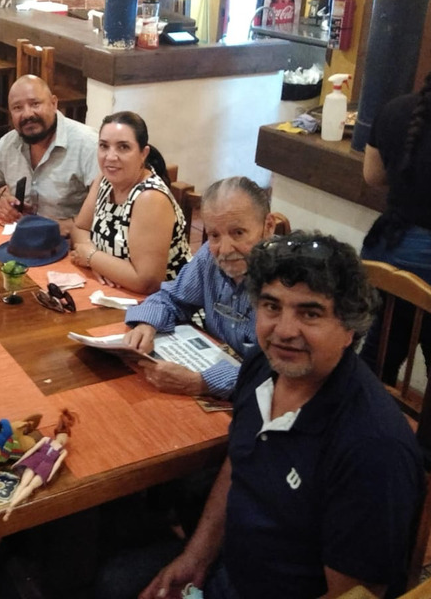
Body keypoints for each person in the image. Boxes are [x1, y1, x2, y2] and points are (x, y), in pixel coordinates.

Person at [132, 232, 424, 599]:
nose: (284, 332)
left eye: (310, 313)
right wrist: (196, 558)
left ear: (349, 328)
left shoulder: (373, 449)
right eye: (271, 306)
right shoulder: (261, 365)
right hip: (227, 573)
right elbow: (240, 463)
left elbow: (354, 595)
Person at [123, 176, 276, 398]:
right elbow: (172, 298)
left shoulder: (289, 283)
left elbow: (282, 375)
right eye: (214, 235)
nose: (224, 249)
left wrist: (202, 383)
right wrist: (147, 323)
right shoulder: (209, 257)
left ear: (268, 226)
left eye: (238, 233)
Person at [70, 111, 191, 295]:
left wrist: (92, 258)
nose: (110, 156)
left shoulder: (150, 197)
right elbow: (79, 228)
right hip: (115, 292)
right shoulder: (104, 180)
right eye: (104, 146)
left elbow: (148, 282)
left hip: (168, 301)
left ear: (143, 153)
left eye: (123, 147)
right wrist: (98, 260)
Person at [361, 70, 431, 383]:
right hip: (422, 266)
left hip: (387, 253)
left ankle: (363, 400)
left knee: (383, 345)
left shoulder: (396, 109)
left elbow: (373, 176)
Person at [0, 75, 98, 235]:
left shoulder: (88, 144)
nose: (27, 114)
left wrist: (62, 227)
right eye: (17, 108)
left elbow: (109, 210)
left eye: (35, 104)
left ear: (53, 103)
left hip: (71, 242)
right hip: (21, 239)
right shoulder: (10, 142)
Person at [2, 409, 76, 521]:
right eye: (64, 437)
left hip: (44, 466)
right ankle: (10, 507)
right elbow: (32, 451)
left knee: (27, 486)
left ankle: (11, 507)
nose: (64, 440)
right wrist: (19, 461)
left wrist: (50, 475)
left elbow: (56, 463)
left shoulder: (61, 450)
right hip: (38, 462)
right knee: (25, 485)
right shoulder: (49, 442)